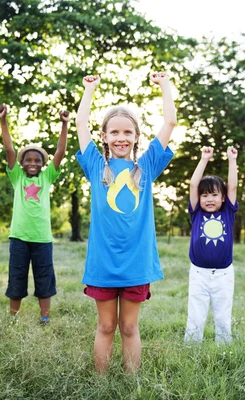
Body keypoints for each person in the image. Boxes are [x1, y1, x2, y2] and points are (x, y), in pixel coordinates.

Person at [75, 72, 176, 374]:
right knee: (106, 326)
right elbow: (81, 124)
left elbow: (169, 123)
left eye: (128, 133)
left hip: (136, 263)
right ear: (104, 137)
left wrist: (165, 86)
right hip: (103, 263)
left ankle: (133, 384)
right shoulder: (95, 166)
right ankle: (100, 383)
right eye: (115, 132)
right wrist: (89, 90)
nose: (121, 138)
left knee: (129, 328)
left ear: (136, 138)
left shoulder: (146, 167)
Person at [0, 104, 69, 325]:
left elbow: (60, 152)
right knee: (16, 279)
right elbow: (9, 149)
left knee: (44, 279)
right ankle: (13, 319)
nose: (32, 163)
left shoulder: (46, 178)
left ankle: (45, 318)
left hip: (42, 239)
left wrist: (64, 124)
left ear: (43, 164)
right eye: (28, 160)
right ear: (20, 163)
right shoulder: (17, 177)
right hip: (19, 238)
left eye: (37, 160)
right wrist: (3, 120)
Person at [185, 145, 238, 343]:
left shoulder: (227, 212)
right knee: (195, 316)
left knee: (223, 317)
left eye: (214, 195)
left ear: (223, 198)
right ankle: (191, 351)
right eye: (204, 195)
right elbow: (193, 185)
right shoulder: (196, 212)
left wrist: (232, 161)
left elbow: (232, 186)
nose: (209, 199)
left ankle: (224, 352)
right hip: (198, 273)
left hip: (223, 274)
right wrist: (204, 159)